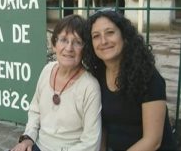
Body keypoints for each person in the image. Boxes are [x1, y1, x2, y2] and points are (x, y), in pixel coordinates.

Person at [83, 8, 178, 151]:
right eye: (96, 36)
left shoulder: (148, 76)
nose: (103, 41)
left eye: (110, 33)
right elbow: (102, 130)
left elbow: (152, 141)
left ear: (125, 37)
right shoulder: (97, 76)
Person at [10, 14, 102, 151]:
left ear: (85, 49)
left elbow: (91, 143)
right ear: (54, 45)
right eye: (64, 40)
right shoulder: (47, 70)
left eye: (77, 42)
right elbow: (35, 111)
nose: (69, 48)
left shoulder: (90, 86)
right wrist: (27, 139)